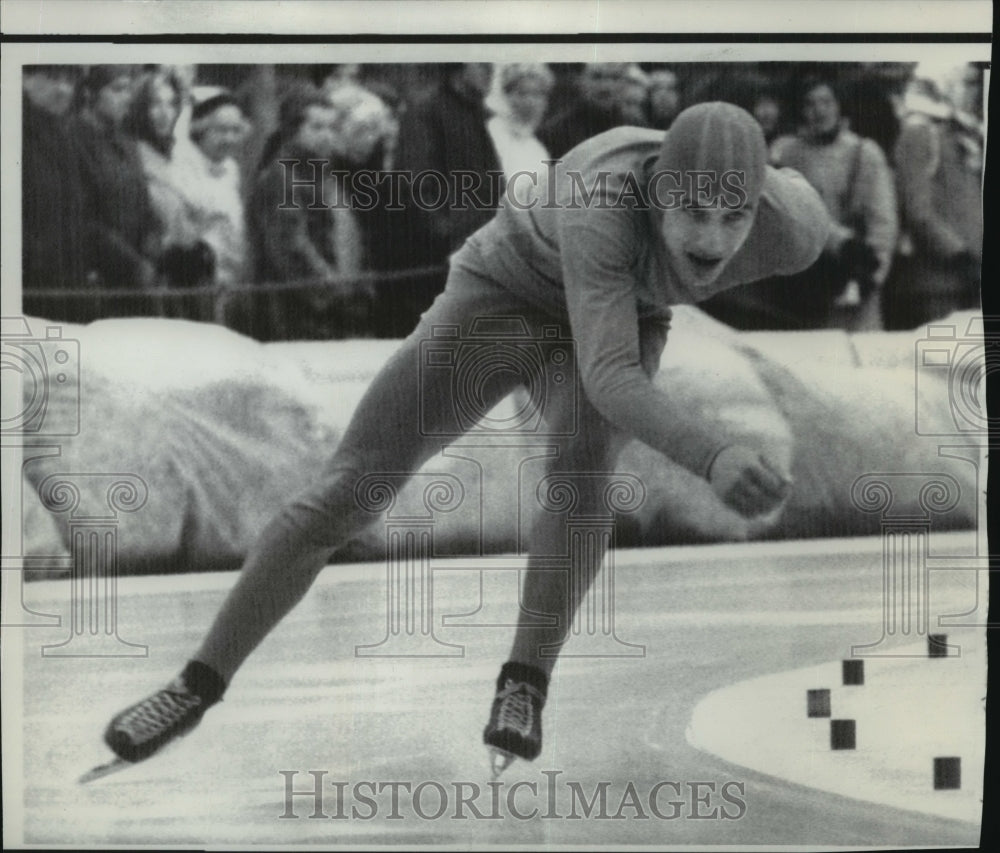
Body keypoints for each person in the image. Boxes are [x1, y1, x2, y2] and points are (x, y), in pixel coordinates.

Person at [100, 103, 829, 773]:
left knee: (582, 479)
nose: (710, 240)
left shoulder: (792, 227)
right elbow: (609, 375)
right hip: (508, 293)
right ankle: (197, 683)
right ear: (653, 191)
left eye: (734, 217)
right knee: (354, 488)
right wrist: (715, 452)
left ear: (761, 203)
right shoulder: (603, 205)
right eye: (690, 210)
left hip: (624, 310)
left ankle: (524, 682)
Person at [251, 85, 366, 340]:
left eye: (331, 128)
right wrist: (332, 289)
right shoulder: (282, 177)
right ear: (293, 130)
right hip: (295, 314)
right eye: (316, 128)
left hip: (328, 310)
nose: (326, 136)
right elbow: (290, 246)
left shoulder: (321, 173)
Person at [880, 63, 984, 330]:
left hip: (973, 281)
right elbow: (919, 212)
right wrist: (960, 256)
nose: (978, 91)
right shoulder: (918, 132)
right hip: (937, 285)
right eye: (969, 83)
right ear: (944, 85)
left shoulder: (965, 132)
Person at [71, 64, 161, 318]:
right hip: (100, 280)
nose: (127, 98)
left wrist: (152, 245)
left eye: (129, 91)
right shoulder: (74, 140)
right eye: (118, 89)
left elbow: (144, 203)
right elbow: (85, 218)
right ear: (91, 94)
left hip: (140, 278)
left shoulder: (126, 144)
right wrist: (133, 264)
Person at [21, 65, 90, 323]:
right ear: (25, 79)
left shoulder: (65, 136)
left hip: (68, 290)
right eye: (52, 78)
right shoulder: (15, 134)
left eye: (69, 80)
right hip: (31, 293)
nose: (63, 89)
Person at [486, 63, 556, 207]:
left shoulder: (537, 149)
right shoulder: (489, 134)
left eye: (537, 94)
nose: (530, 102)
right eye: (522, 93)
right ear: (504, 95)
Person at [536, 62, 631, 158]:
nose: (606, 87)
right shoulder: (555, 133)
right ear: (579, 80)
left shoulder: (635, 126)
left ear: (625, 82)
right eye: (597, 77)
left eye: (615, 78)